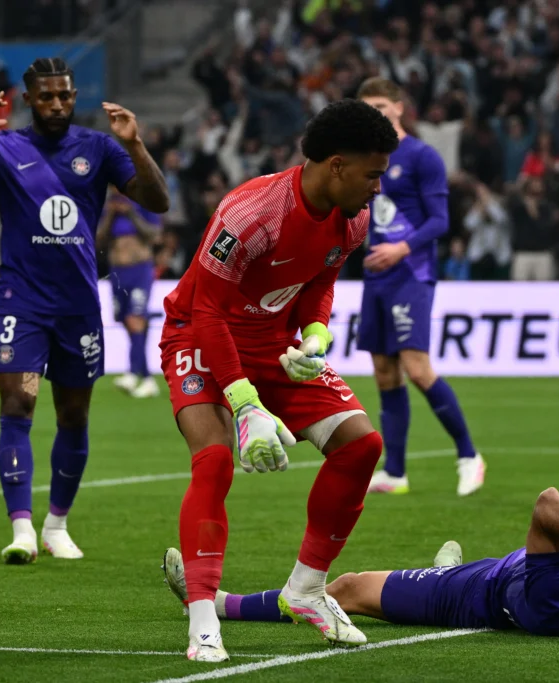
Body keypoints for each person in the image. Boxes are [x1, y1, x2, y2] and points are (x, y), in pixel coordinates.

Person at [156, 98, 399, 662]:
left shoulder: (354, 217)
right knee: (215, 460)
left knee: (361, 445)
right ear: (336, 165)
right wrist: (245, 403)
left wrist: (314, 336)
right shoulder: (250, 214)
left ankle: (306, 590)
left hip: (273, 342)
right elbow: (207, 310)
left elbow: (320, 280)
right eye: (372, 174)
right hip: (199, 336)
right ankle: (202, 623)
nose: (378, 187)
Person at [0, 57, 169, 565]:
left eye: (65, 95)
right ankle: (22, 530)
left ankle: (57, 524)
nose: (57, 104)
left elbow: (158, 200)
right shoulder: (1, 148)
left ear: (74, 97)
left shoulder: (99, 147)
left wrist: (135, 145)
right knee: (17, 405)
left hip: (78, 306)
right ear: (29, 100)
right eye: (47, 97)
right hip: (23, 302)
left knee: (73, 415)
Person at [161, 489, 559, 640]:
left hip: (465, 595)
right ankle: (442, 565)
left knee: (346, 588)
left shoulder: (554, 597)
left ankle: (218, 603)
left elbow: (547, 504)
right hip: (500, 570)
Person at [355, 77, 484, 498]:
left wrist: (401, 248)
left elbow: (440, 220)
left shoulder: (421, 155)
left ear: (398, 107)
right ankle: (395, 472)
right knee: (383, 371)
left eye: (380, 106)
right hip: (375, 275)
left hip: (411, 272)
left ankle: (469, 456)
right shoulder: (362, 157)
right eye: (367, 107)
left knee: (417, 367)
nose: (374, 114)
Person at [96, 186, 162, 398]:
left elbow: (154, 235)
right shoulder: (108, 206)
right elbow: (99, 239)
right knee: (128, 322)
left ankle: (132, 373)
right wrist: (111, 214)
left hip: (140, 269)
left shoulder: (143, 202)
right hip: (117, 272)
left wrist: (131, 213)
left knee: (135, 319)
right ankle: (148, 379)